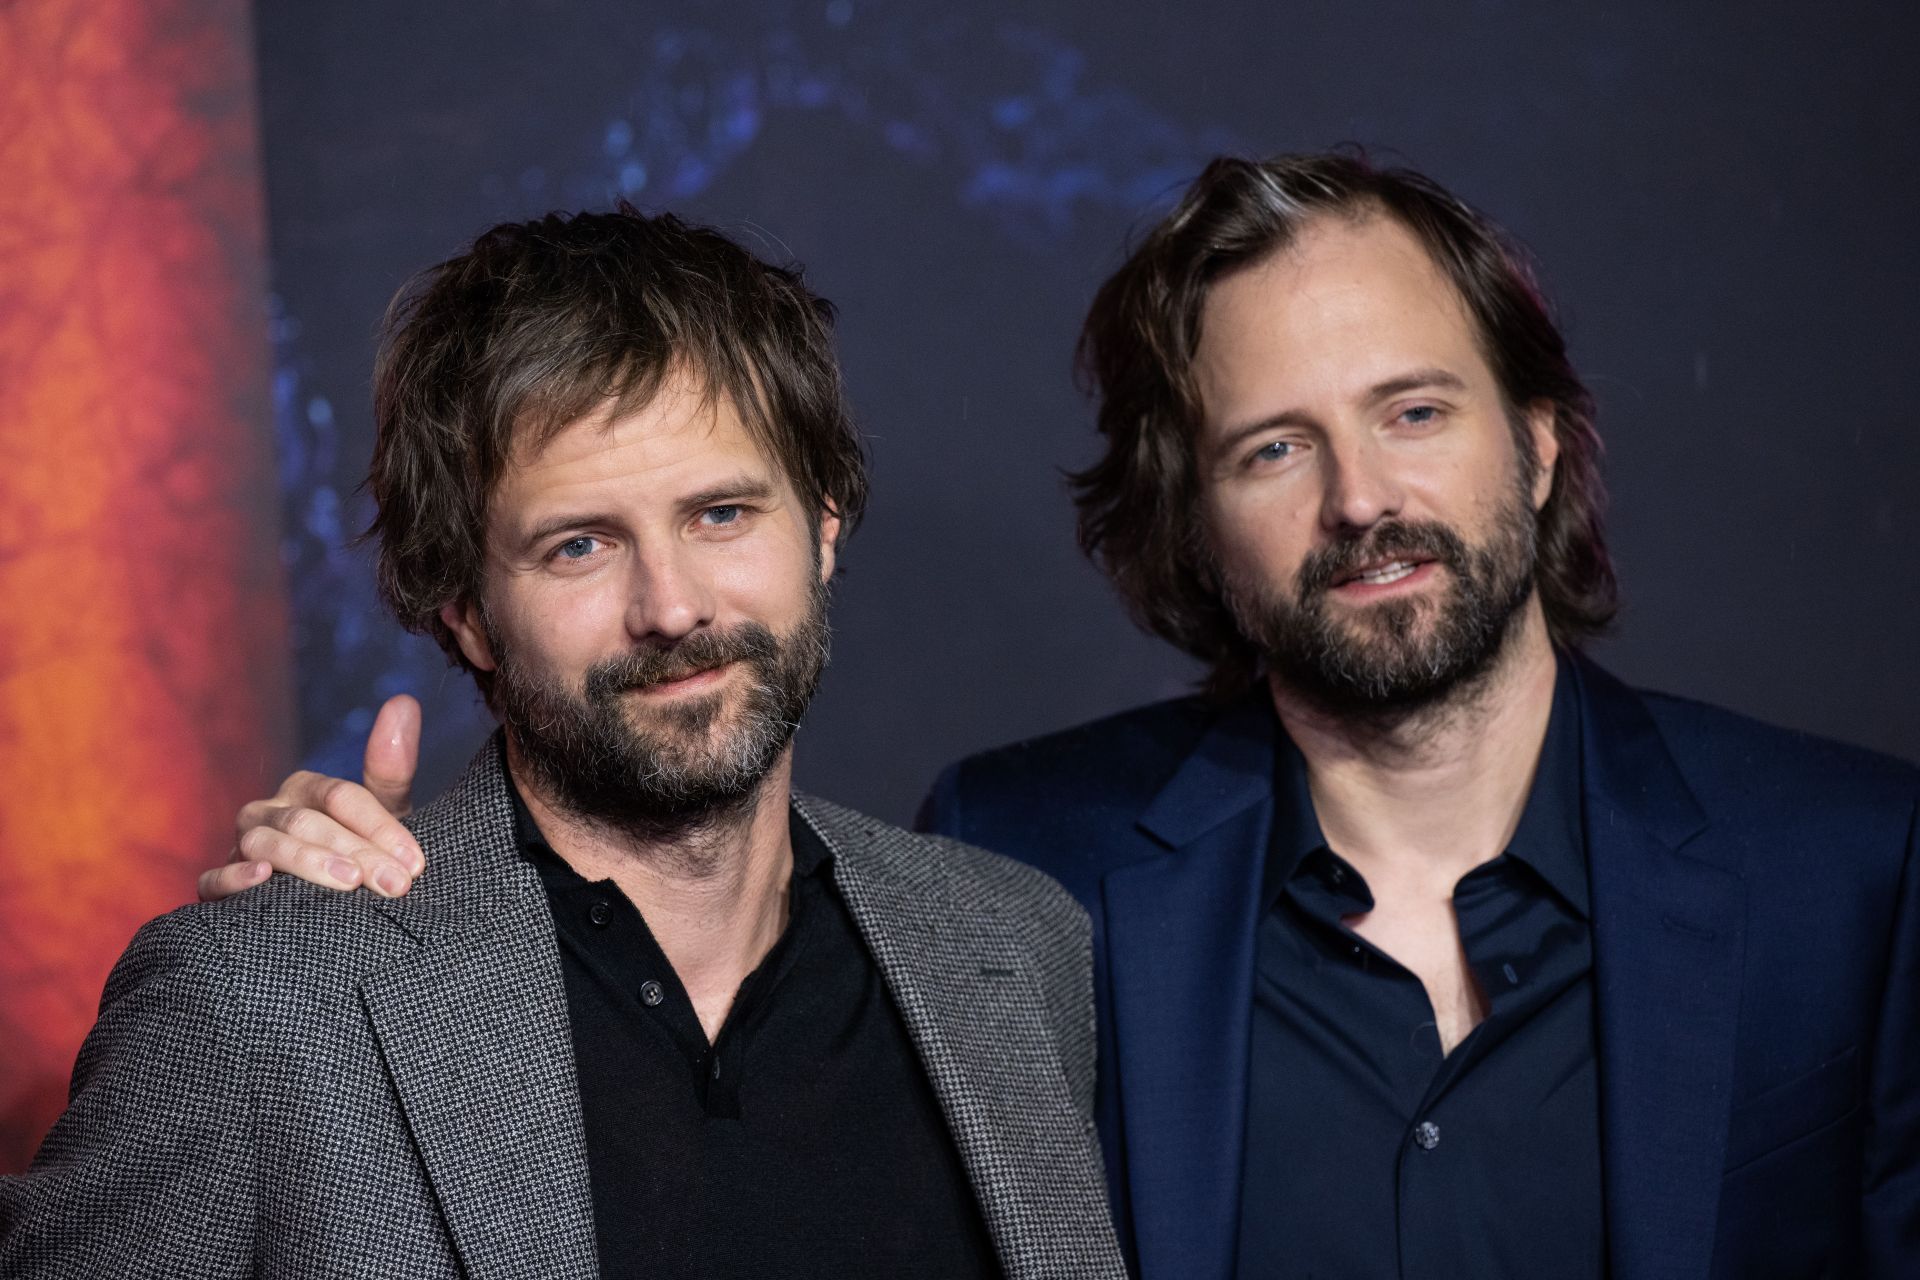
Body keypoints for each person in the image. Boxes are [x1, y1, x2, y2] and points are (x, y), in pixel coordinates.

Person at [204, 156, 1920, 1278]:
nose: (1361, 498)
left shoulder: (1849, 872)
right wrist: (373, 917)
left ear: (1539, 442)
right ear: (1194, 514)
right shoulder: (1033, 876)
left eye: (1415, 412)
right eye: (1273, 447)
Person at [0, 208, 1125, 1279]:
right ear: (467, 614)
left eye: (722, 514)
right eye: (580, 544)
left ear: (822, 526)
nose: (672, 606)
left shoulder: (1019, 946)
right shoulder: (253, 1004)